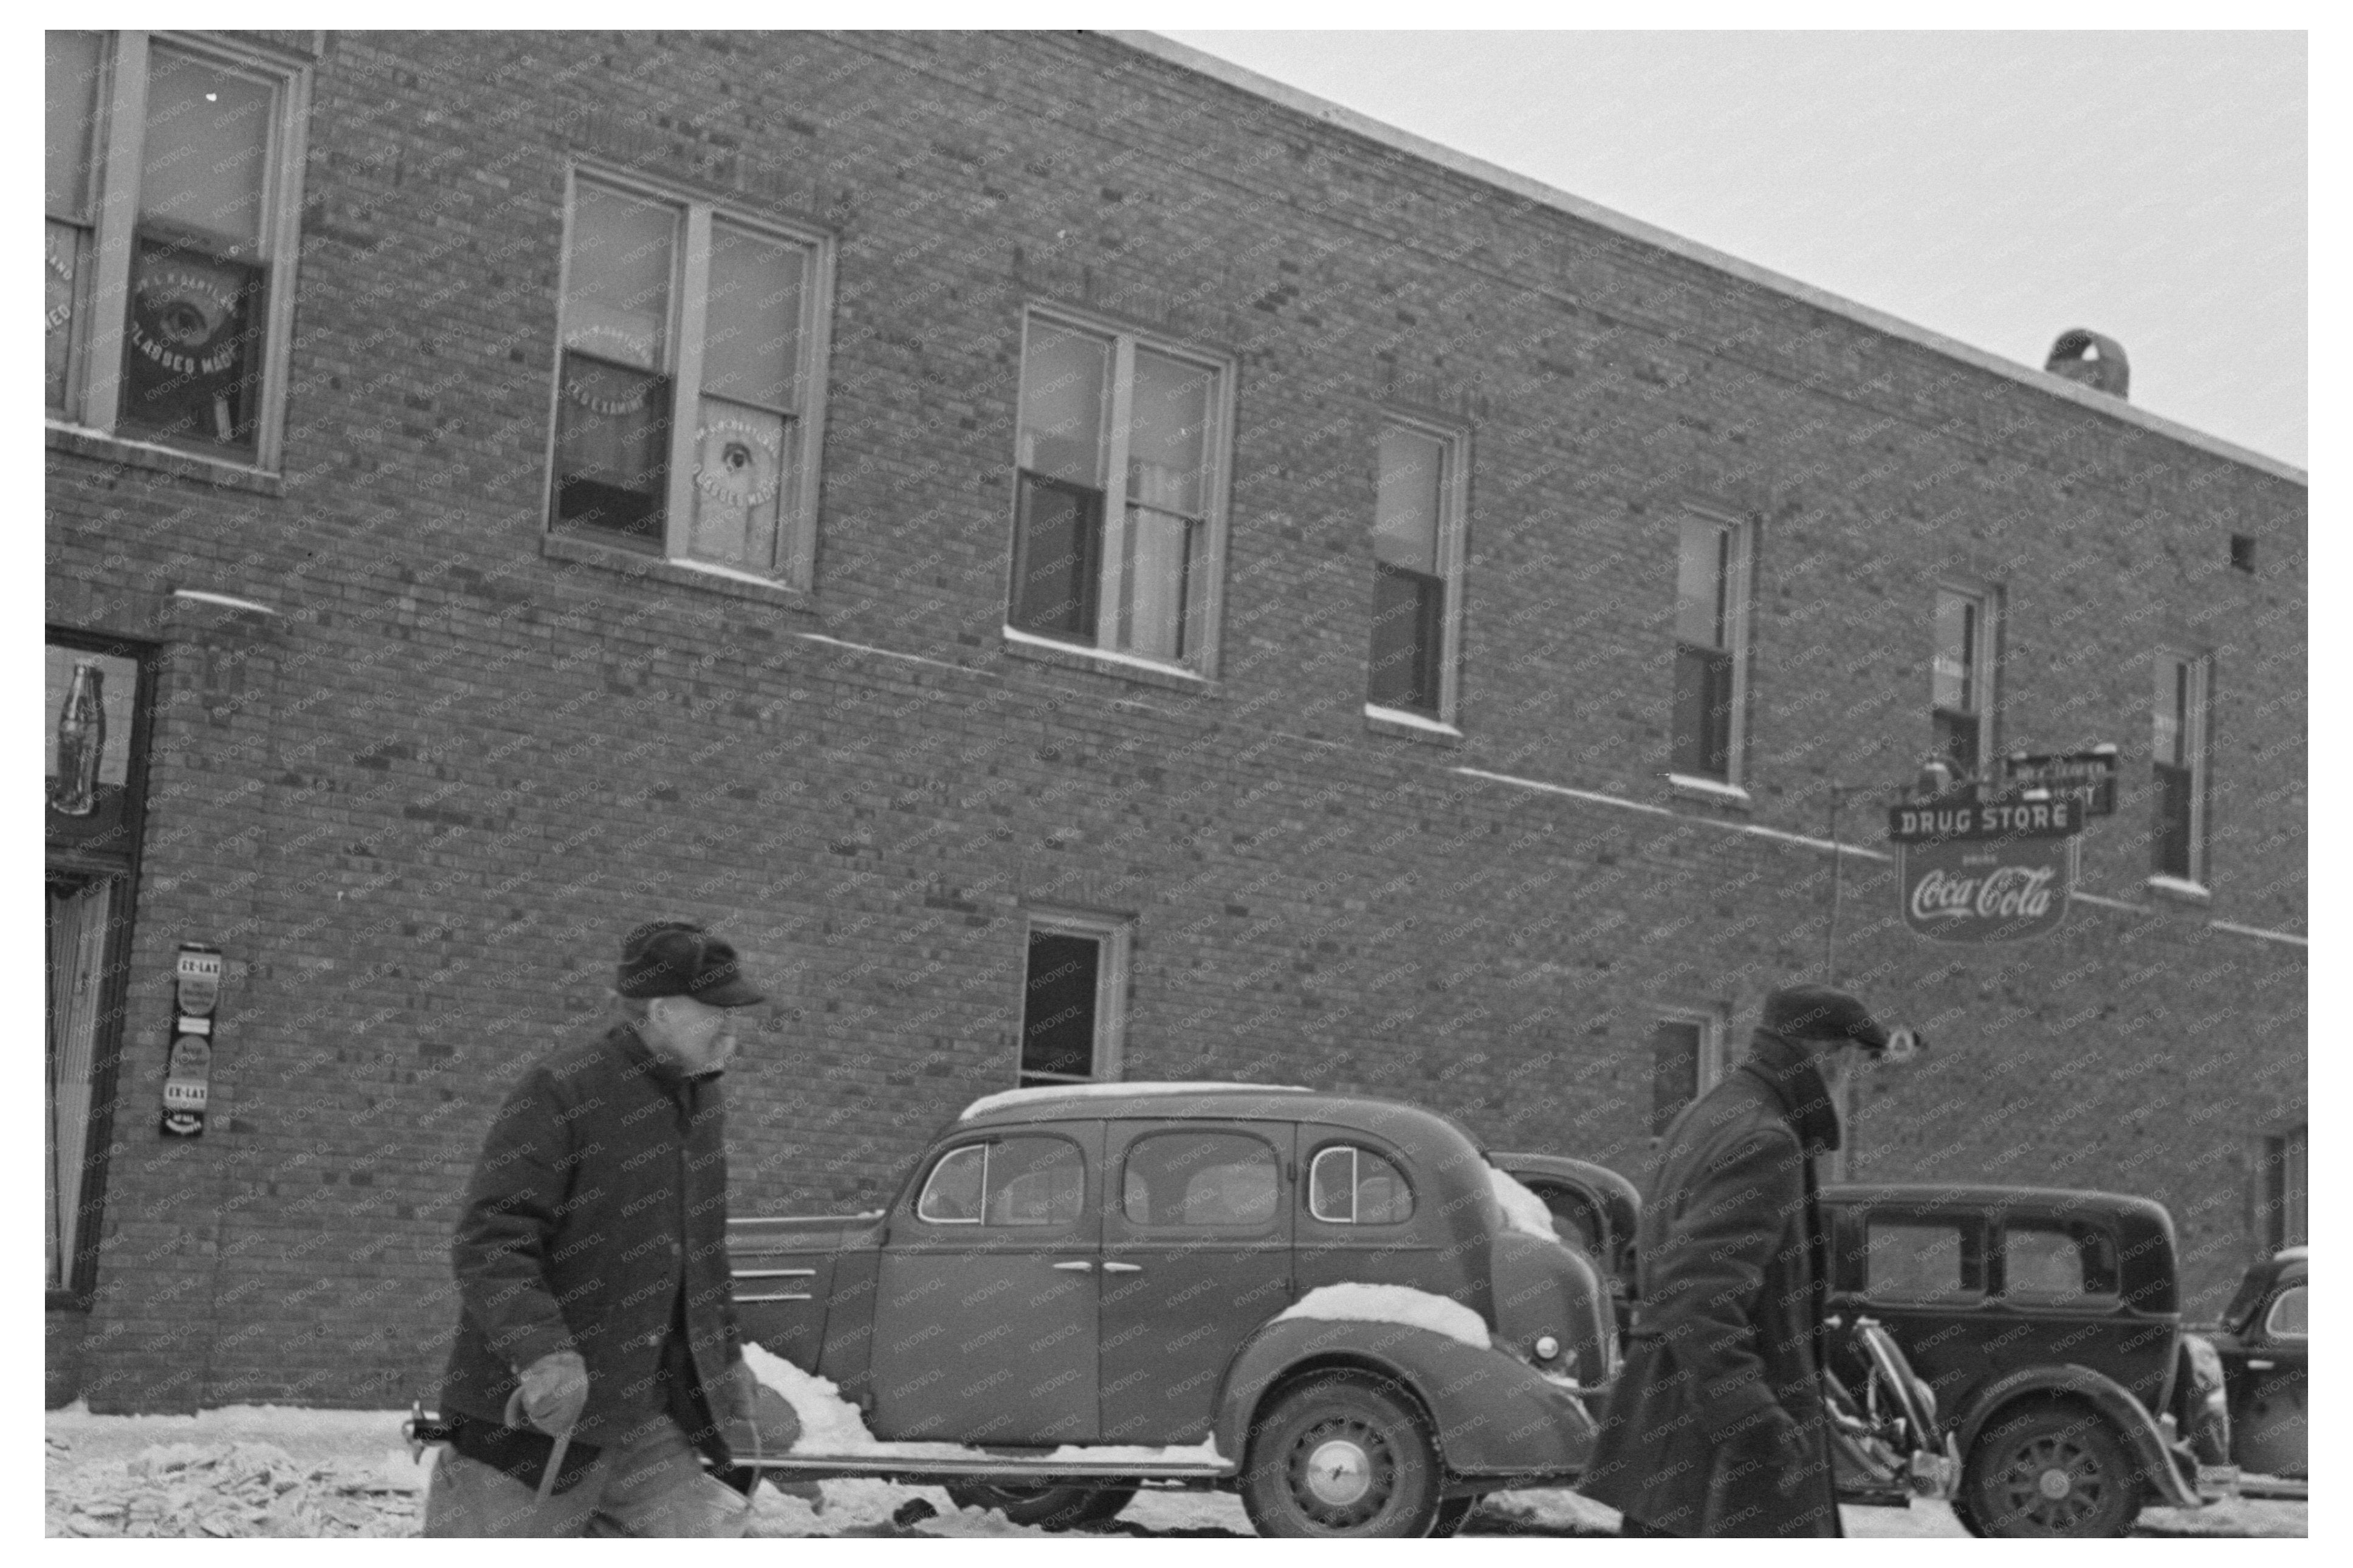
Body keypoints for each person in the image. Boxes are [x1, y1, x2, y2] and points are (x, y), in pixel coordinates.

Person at [424, 920, 776, 1536]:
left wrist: (725, 1363)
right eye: (715, 1010)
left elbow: (702, 1259)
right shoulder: (563, 1089)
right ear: (662, 1010)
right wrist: (543, 1352)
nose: (729, 1026)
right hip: (534, 1427)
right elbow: (492, 1238)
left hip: (650, 1418)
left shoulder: (701, 1104)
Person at [1579, 984, 1895, 1538]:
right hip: (1720, 1469)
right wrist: (1751, 1415)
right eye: (1852, 1068)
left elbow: (1643, 1261)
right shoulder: (1765, 1140)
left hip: (1673, 1451)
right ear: (1828, 1057)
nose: (1849, 1088)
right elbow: (1696, 1286)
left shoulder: (1708, 1113)